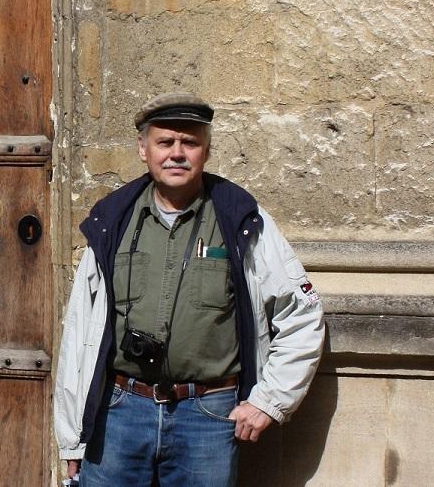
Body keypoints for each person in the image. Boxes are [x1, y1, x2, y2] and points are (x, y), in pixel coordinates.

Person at [53, 93, 324, 486]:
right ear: (143, 149)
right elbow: (79, 334)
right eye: (165, 142)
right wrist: (72, 438)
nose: (177, 153)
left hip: (208, 418)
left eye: (190, 143)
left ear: (206, 151)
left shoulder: (241, 220)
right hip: (119, 414)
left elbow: (302, 311)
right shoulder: (111, 222)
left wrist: (270, 401)